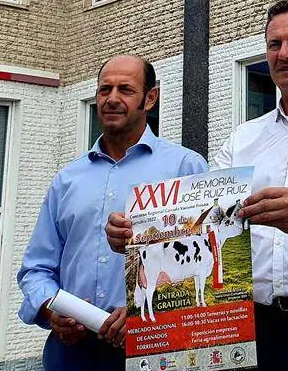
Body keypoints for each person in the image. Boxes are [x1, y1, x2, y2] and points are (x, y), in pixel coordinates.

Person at [107, 0, 288, 370]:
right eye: (274, 44)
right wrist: (137, 237)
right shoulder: (243, 139)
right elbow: (203, 222)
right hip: (258, 326)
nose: (284, 53)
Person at [17, 55, 208, 370]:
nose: (112, 99)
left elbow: (204, 261)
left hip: (157, 346)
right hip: (72, 353)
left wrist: (149, 311)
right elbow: (36, 269)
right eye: (105, 90)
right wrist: (51, 312)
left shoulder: (185, 168)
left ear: (150, 98)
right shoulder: (67, 179)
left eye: (125, 90)